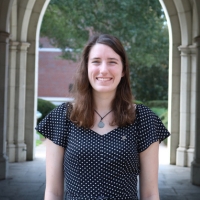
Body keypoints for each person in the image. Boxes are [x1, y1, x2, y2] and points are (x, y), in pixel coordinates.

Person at [36, 34, 170, 200]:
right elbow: (53, 193)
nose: (104, 70)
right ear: (86, 67)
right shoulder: (62, 117)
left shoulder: (143, 119)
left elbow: (150, 194)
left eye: (112, 62)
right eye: (96, 61)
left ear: (123, 70)